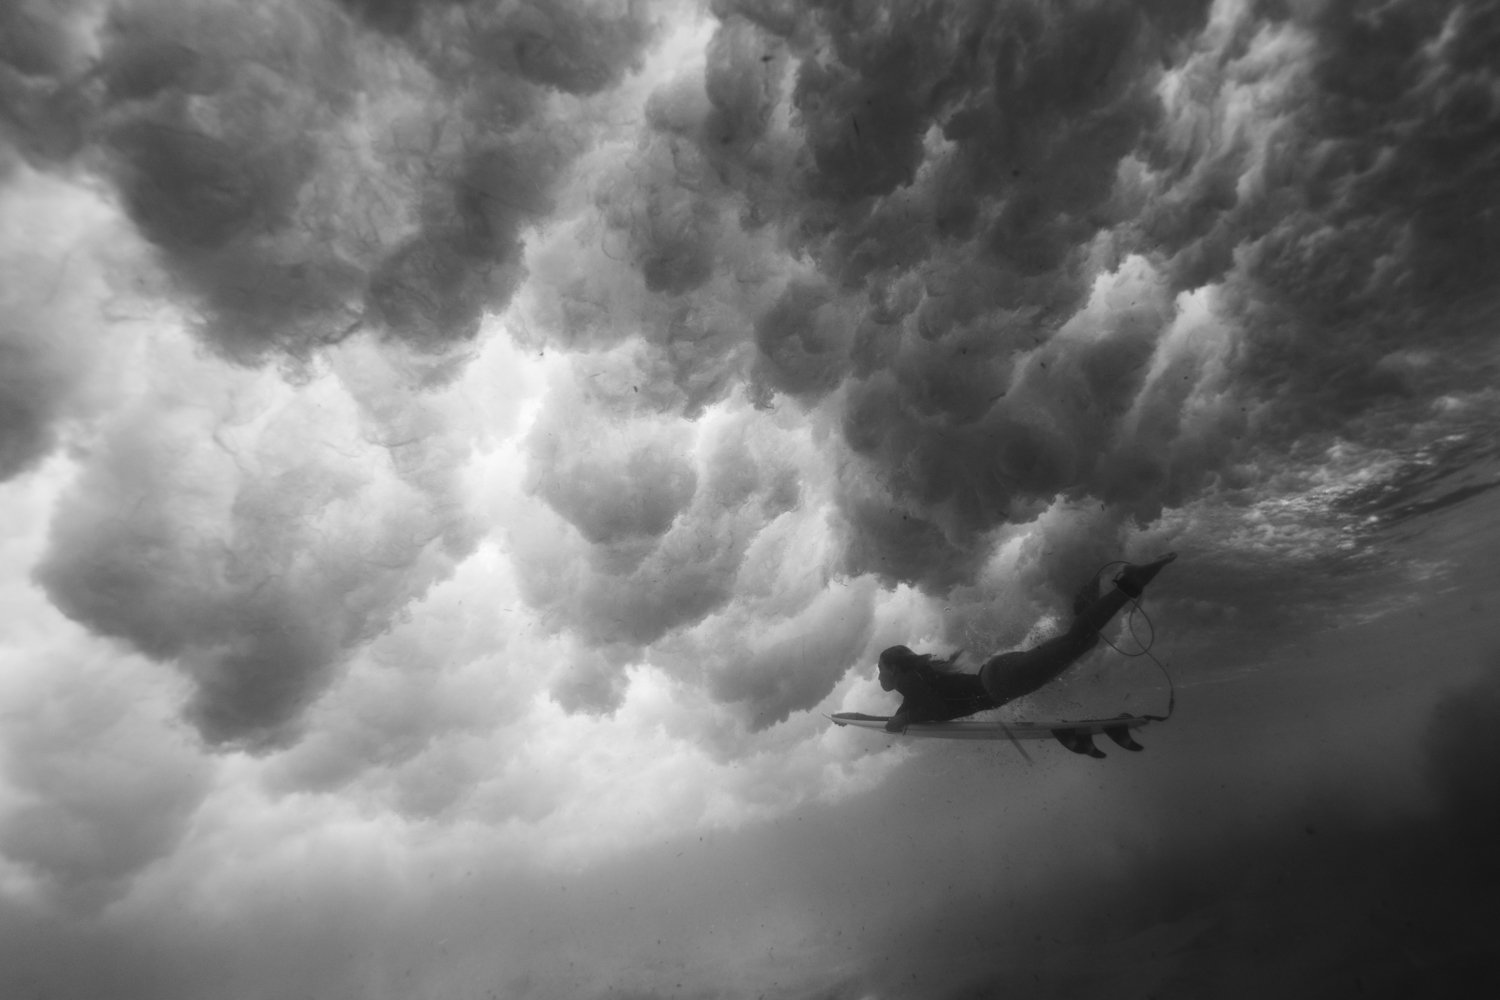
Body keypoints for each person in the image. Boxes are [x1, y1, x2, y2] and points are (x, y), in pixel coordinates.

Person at [877, 553, 1177, 733]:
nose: (879, 678)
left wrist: (904, 720)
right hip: (999, 675)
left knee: (1078, 641)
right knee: (1082, 643)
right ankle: (1088, 599)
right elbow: (913, 708)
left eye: (881, 671)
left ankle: (1129, 585)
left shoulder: (912, 683)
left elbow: (929, 708)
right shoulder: (915, 682)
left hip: (1003, 683)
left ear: (894, 668)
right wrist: (886, 718)